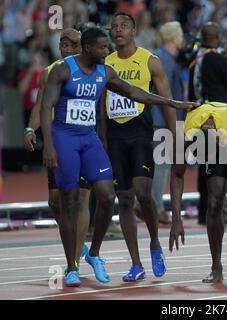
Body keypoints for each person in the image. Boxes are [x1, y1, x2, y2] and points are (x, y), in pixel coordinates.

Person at [40, 26, 196, 287]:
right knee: (69, 202)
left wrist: (171, 103)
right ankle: (72, 267)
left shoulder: (105, 72)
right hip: (64, 138)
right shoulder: (63, 70)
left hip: (88, 138)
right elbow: (46, 107)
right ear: (88, 48)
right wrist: (49, 146)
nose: (107, 51)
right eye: (102, 48)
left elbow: (135, 93)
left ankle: (95, 253)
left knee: (107, 195)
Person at [100, 13, 177, 282]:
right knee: (125, 198)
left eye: (123, 26)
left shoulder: (149, 61)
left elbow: (166, 99)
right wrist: (102, 140)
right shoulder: (105, 63)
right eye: (114, 27)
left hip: (142, 135)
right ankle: (136, 263)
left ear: (134, 32)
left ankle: (155, 243)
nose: (117, 30)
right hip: (116, 138)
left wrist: (174, 135)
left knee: (144, 195)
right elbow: (101, 107)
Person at [169, 101, 227, 284]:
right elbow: (177, 174)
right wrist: (176, 220)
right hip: (214, 133)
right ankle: (216, 268)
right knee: (213, 202)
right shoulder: (187, 129)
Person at [24, 28, 89, 270]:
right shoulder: (49, 72)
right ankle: (73, 240)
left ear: (81, 48)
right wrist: (30, 130)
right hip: (57, 143)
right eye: (64, 45)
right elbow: (40, 105)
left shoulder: (90, 70)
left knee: (79, 199)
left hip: (82, 141)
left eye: (73, 46)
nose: (68, 49)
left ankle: (73, 259)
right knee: (55, 201)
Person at [188, 22, 227, 225]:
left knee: (205, 166)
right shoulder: (219, 60)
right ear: (218, 38)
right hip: (219, 119)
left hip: (199, 118)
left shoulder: (194, 61)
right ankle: (218, 208)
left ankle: (204, 210)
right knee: (225, 166)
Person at [152, 21, 185, 225]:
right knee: (161, 165)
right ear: (174, 37)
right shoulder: (164, 59)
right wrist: (174, 125)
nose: (182, 39)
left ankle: (155, 206)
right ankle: (156, 208)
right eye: (180, 35)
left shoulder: (164, 57)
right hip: (162, 119)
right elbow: (166, 95)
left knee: (161, 165)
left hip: (161, 118)